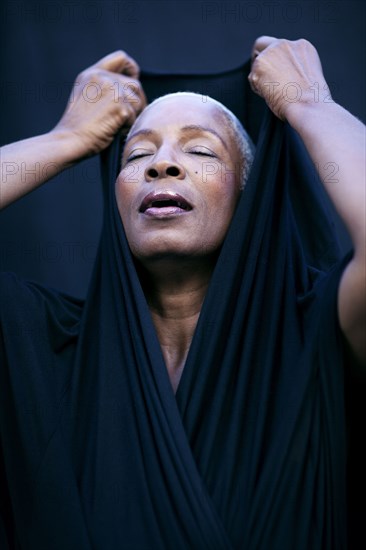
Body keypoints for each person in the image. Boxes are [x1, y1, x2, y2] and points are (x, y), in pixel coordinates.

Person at [0, 37, 365, 548]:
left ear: (249, 196)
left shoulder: (318, 338)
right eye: (139, 154)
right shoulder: (43, 349)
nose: (161, 165)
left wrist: (311, 104)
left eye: (199, 150)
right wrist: (66, 140)